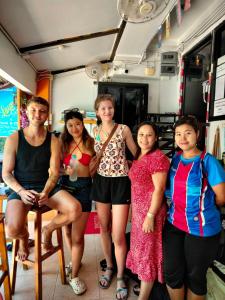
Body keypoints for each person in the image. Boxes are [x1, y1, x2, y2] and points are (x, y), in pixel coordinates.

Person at [2, 97, 82, 262]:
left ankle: (47, 230)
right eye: (33, 110)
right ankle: (25, 238)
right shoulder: (14, 139)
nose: (37, 114)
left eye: (42, 111)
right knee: (11, 230)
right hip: (21, 188)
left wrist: (45, 192)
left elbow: (53, 173)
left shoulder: (53, 140)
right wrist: (21, 191)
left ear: (47, 115)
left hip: (47, 186)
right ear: (27, 112)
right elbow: (7, 174)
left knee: (75, 209)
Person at [163, 115, 225, 300]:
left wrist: (202, 209)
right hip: (174, 223)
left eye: (188, 133)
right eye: (178, 134)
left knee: (195, 277)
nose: (182, 138)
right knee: (172, 273)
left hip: (202, 229)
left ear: (197, 134)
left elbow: (222, 198)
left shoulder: (209, 162)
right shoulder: (175, 159)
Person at [91, 94, 137, 300]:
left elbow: (136, 152)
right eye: (103, 109)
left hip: (121, 182)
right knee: (104, 228)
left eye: (110, 108)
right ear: (97, 112)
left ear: (113, 110)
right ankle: (109, 266)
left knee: (118, 235)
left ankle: (120, 275)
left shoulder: (124, 129)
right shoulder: (94, 130)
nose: (107, 111)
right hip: (101, 182)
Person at [126, 122, 170, 300]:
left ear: (156, 137)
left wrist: (150, 216)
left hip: (150, 213)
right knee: (142, 252)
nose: (144, 138)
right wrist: (132, 210)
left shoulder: (157, 158)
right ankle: (146, 289)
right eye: (141, 134)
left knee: (147, 256)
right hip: (139, 213)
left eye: (149, 135)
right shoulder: (140, 154)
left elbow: (159, 190)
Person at [59, 109, 94, 295]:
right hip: (65, 188)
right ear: (66, 126)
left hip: (84, 188)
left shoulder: (90, 142)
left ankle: (74, 276)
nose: (75, 128)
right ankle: (74, 261)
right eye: (70, 125)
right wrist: (64, 171)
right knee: (66, 229)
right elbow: (56, 167)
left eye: (78, 124)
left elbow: (95, 166)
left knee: (78, 236)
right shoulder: (62, 143)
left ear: (83, 123)